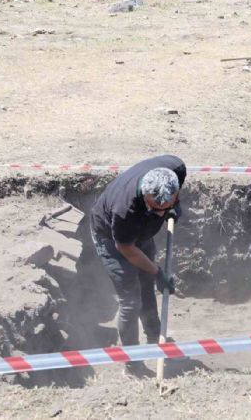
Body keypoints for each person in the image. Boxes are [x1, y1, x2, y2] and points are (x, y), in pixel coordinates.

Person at [90, 155, 185, 376]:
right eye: (155, 208)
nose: (161, 214)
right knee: (131, 301)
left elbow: (165, 203)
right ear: (144, 195)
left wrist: (175, 207)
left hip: (140, 232)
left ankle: (155, 337)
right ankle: (132, 364)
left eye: (166, 207)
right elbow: (126, 249)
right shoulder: (125, 210)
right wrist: (158, 272)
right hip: (112, 240)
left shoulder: (175, 168)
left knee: (146, 284)